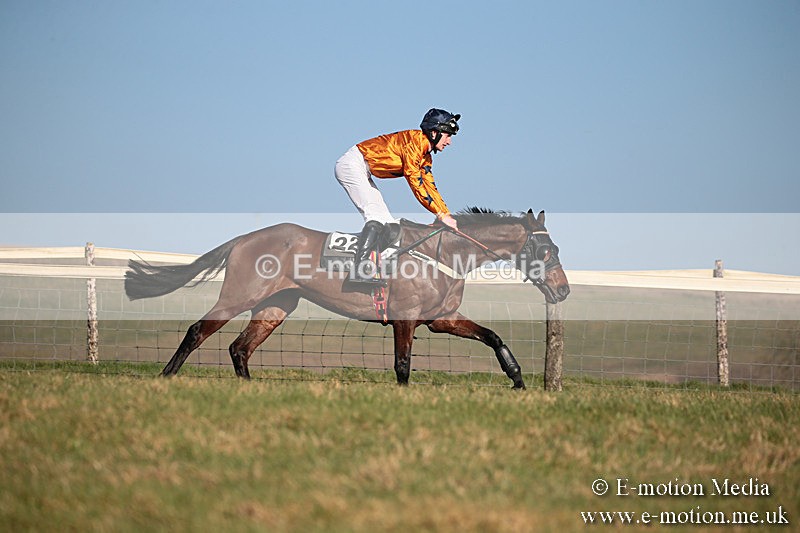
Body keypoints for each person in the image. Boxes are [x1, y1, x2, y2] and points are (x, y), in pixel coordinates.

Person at [335, 108, 461, 286]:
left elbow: (430, 187)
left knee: (390, 224)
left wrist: (446, 214)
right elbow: (416, 183)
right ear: (434, 132)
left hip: (363, 170)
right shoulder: (414, 144)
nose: (449, 142)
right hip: (352, 165)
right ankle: (359, 270)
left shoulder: (425, 156)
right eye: (448, 135)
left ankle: (377, 266)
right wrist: (440, 215)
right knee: (375, 218)